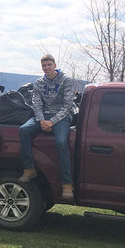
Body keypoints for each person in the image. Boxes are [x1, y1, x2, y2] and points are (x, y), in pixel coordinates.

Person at [18, 54, 76, 200]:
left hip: (61, 117)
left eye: (49, 65)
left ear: (55, 65)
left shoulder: (66, 80)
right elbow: (36, 103)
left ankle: (67, 183)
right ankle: (29, 169)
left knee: (61, 142)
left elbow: (68, 105)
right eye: (44, 66)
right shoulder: (39, 83)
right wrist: (42, 120)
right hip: (43, 116)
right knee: (24, 130)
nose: (47, 68)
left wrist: (53, 122)